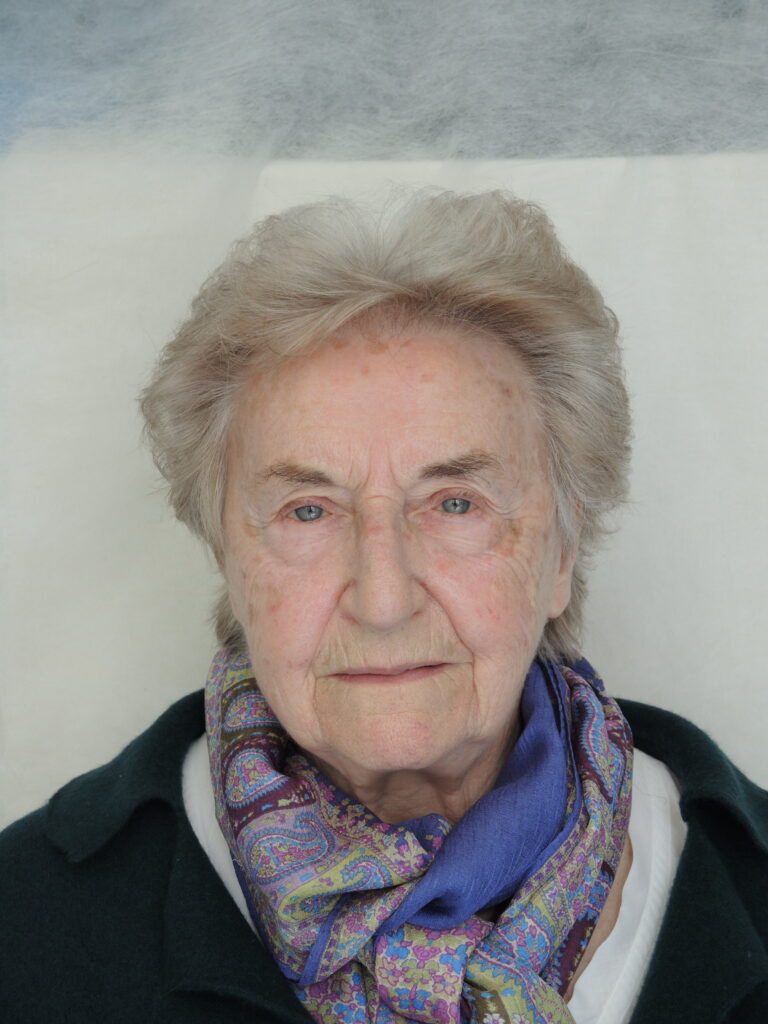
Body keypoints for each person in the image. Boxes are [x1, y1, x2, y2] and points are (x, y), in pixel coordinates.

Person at [1, 189, 766, 1024]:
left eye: (455, 503)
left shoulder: (742, 882)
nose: (384, 599)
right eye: (308, 511)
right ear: (226, 554)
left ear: (562, 550)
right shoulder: (26, 925)